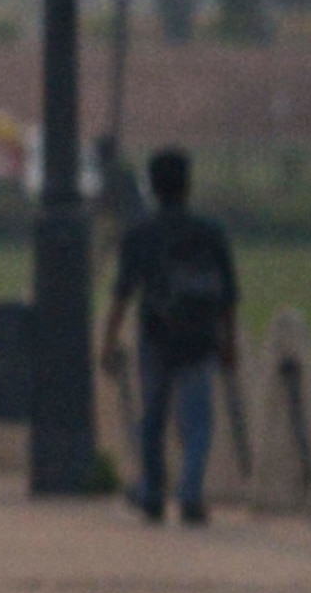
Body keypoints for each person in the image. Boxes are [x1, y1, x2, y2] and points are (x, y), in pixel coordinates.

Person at [104, 147, 244, 528]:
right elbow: (229, 296)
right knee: (197, 421)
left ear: (152, 186)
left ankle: (152, 492)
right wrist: (229, 343)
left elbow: (122, 292)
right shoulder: (209, 231)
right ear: (188, 184)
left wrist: (109, 340)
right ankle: (190, 494)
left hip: (156, 335)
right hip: (201, 337)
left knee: (153, 418)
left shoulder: (141, 233)